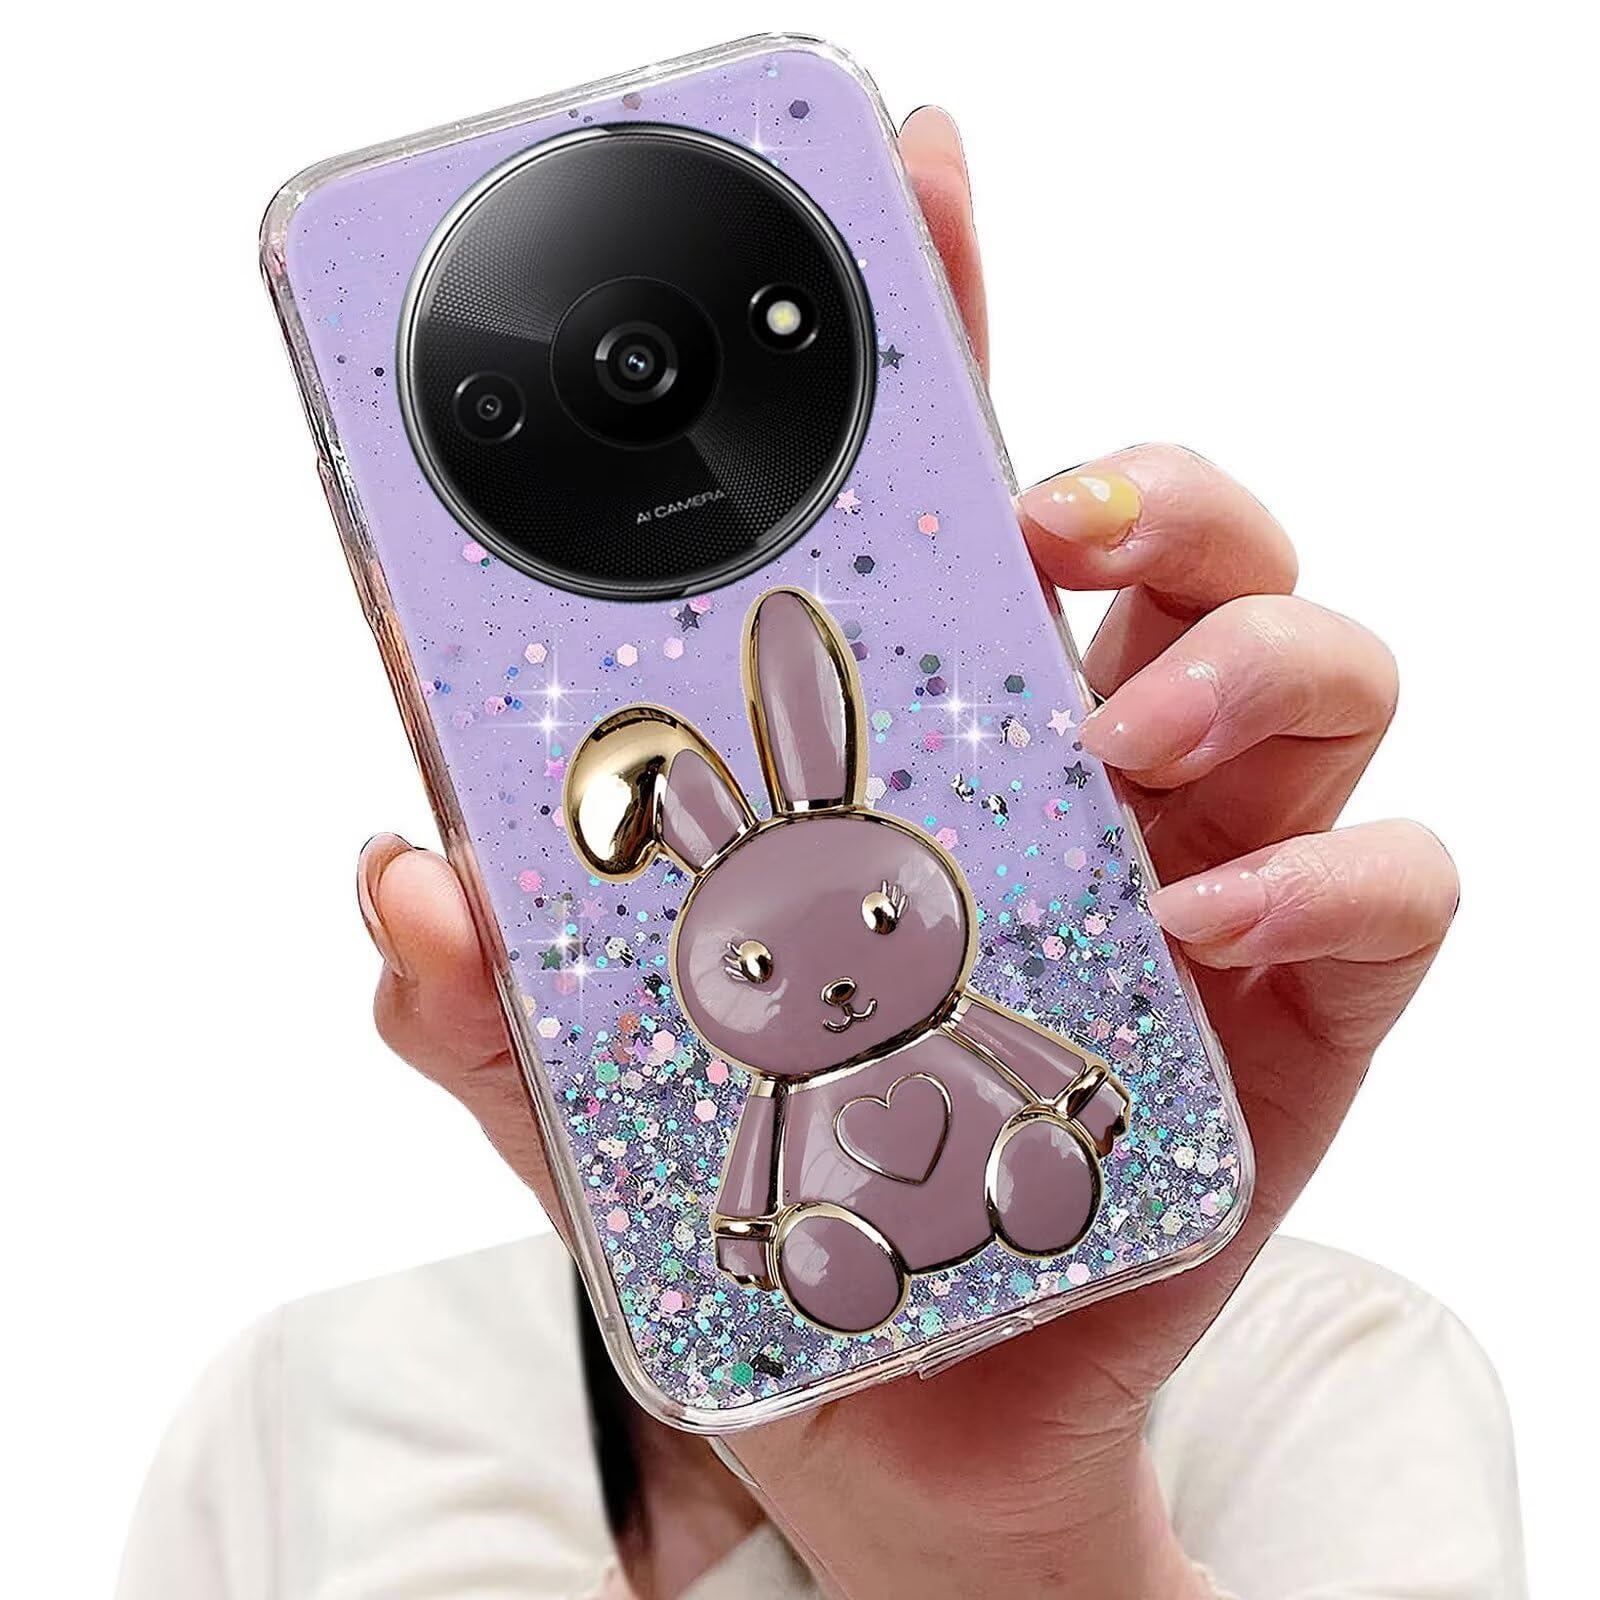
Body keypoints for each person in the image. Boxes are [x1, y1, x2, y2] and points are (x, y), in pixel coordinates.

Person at [118, 109, 1525, 1600]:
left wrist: (1014, 1555)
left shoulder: (1343, 1374)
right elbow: (764, 1151)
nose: (836, 984)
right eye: (768, 962)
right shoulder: (306, 1425)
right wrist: (758, 1250)